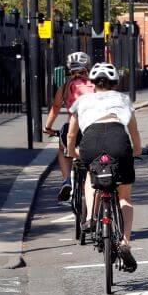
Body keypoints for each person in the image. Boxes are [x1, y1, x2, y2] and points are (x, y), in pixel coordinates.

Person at [67, 63, 142, 273]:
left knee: (91, 179)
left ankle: (91, 217)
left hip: (91, 141)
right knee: (124, 196)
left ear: (92, 83)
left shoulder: (82, 101)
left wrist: (72, 152)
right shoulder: (124, 99)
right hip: (118, 139)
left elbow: (71, 135)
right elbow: (134, 132)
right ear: (115, 82)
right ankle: (125, 242)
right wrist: (136, 151)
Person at [44, 52, 96, 202]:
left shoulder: (65, 86)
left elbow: (55, 108)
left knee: (63, 149)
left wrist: (48, 127)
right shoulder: (96, 83)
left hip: (73, 130)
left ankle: (67, 180)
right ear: (88, 66)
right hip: (93, 128)